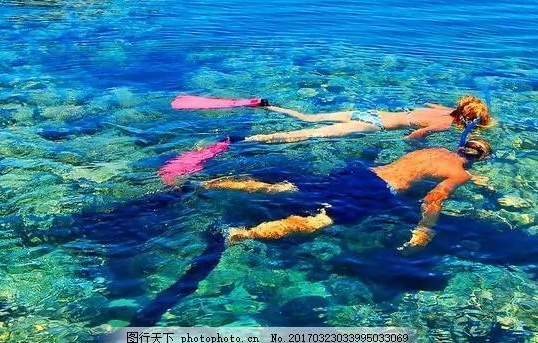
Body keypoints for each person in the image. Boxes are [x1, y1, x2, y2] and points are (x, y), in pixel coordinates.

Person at [202, 138, 492, 248]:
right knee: (320, 220)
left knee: (284, 188)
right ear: (480, 160)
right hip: (378, 191)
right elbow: (433, 199)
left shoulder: (433, 150)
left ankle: (209, 184)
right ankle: (242, 234)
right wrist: (424, 229)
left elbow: (414, 143)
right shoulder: (460, 174)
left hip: (363, 173)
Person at [246, 95, 492, 144]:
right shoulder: (446, 124)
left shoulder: (445, 111)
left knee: (309, 119)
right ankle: (247, 140)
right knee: (309, 134)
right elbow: (415, 135)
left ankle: (269, 106)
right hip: (374, 124)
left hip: (371, 112)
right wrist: (409, 143)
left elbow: (429, 105)